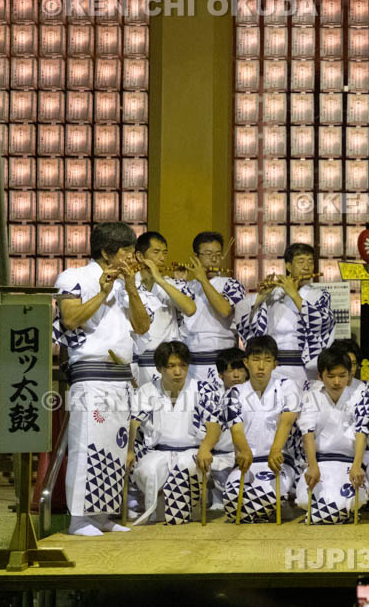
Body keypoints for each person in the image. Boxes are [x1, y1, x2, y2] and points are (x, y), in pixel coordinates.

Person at [54, 221, 150, 536]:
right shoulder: (74, 277)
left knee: (115, 446)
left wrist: (131, 288)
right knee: (88, 444)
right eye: (127, 252)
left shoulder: (129, 283)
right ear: (107, 253)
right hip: (91, 372)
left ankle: (102, 516)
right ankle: (79, 519)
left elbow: (142, 327)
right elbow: (70, 319)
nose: (132, 258)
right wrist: (104, 292)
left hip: (121, 374)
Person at [126, 341, 222, 525]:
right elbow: (134, 423)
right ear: (159, 368)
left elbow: (214, 426)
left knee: (188, 467)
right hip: (158, 451)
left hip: (193, 451)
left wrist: (206, 448)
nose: (178, 372)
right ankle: (155, 513)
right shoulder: (148, 390)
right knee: (147, 469)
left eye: (182, 366)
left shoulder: (204, 389)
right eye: (171, 366)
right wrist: (130, 450)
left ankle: (184, 514)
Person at [234, 243, 335, 391]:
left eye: (310, 261)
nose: (307, 266)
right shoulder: (274, 293)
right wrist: (262, 296)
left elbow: (322, 322)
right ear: (288, 266)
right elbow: (243, 319)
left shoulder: (320, 295)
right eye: (301, 262)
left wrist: (294, 294)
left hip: (304, 367)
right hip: (273, 366)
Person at [221, 335, 300, 523]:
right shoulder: (234, 393)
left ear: (275, 364)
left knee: (263, 497)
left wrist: (275, 450)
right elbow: (236, 430)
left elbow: (287, 420)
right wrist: (245, 451)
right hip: (248, 461)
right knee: (232, 502)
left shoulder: (286, 386)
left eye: (267, 360)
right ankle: (268, 509)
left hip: (278, 461)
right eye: (256, 360)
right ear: (246, 362)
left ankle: (276, 502)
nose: (261, 366)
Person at [294, 347, 369, 523]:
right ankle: (338, 513)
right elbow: (307, 433)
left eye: (342, 375)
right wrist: (312, 466)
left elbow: (362, 432)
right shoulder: (311, 396)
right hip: (320, 462)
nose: (337, 381)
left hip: (348, 463)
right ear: (320, 376)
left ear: (350, 374)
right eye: (331, 376)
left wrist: (357, 465)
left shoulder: (360, 396)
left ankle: (333, 513)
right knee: (304, 499)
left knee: (346, 501)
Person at [179, 231, 246, 386]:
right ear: (196, 257)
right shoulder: (185, 287)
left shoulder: (232, 284)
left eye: (217, 254)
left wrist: (203, 280)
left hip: (223, 361)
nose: (214, 259)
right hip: (191, 360)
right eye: (208, 254)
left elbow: (225, 311)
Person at [131, 231, 197, 387]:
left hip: (167, 362)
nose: (162, 257)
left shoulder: (171, 284)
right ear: (140, 256)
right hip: (137, 361)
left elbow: (190, 309)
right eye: (156, 252)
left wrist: (160, 280)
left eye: (164, 253)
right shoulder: (128, 284)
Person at [201, 347, 247, 509]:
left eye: (240, 369)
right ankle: (217, 498)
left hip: (247, 455)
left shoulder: (254, 394)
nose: (236, 375)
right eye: (230, 370)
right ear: (220, 374)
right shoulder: (210, 395)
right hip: (219, 456)